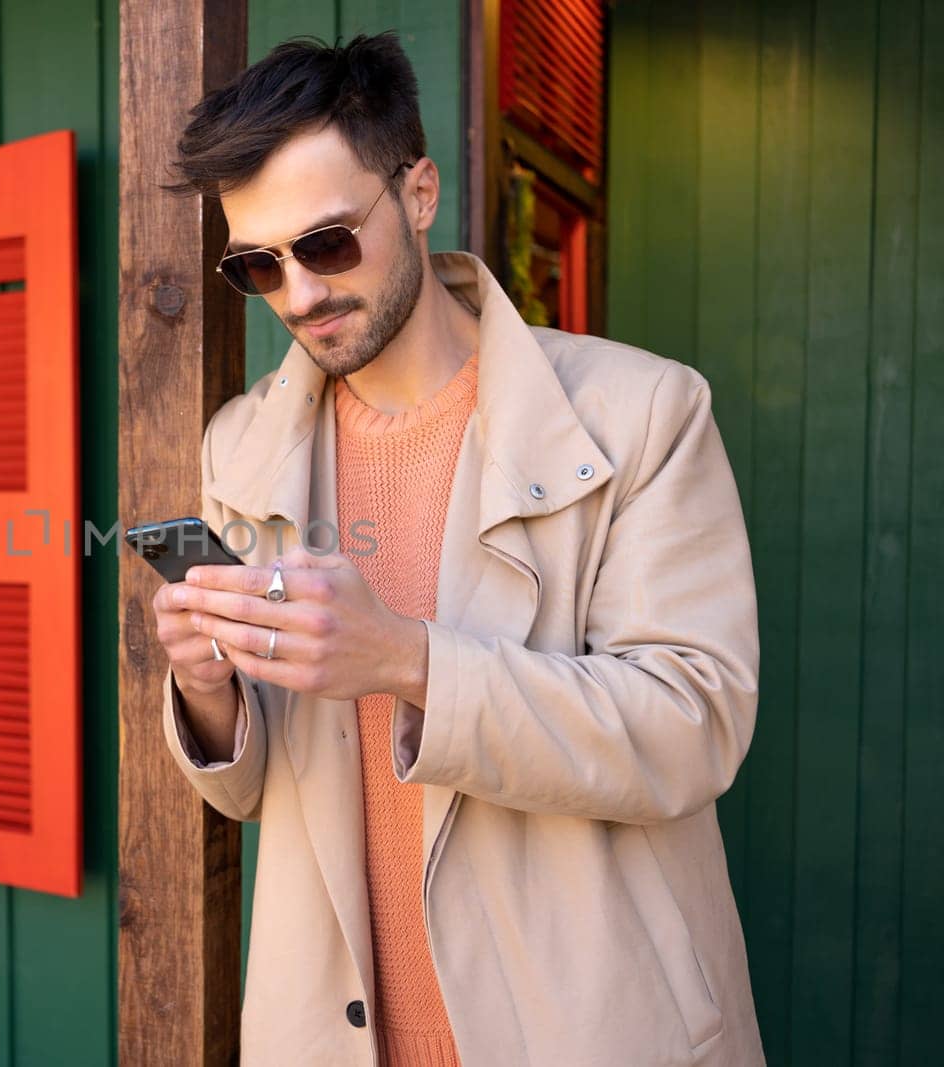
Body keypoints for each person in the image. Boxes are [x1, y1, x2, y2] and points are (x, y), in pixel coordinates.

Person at [149, 31, 766, 1066]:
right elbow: (253, 790)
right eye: (258, 264)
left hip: (582, 1028)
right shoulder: (240, 445)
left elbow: (693, 723)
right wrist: (209, 688)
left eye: (329, 243)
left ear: (419, 191)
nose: (299, 294)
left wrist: (405, 658)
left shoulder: (641, 413)